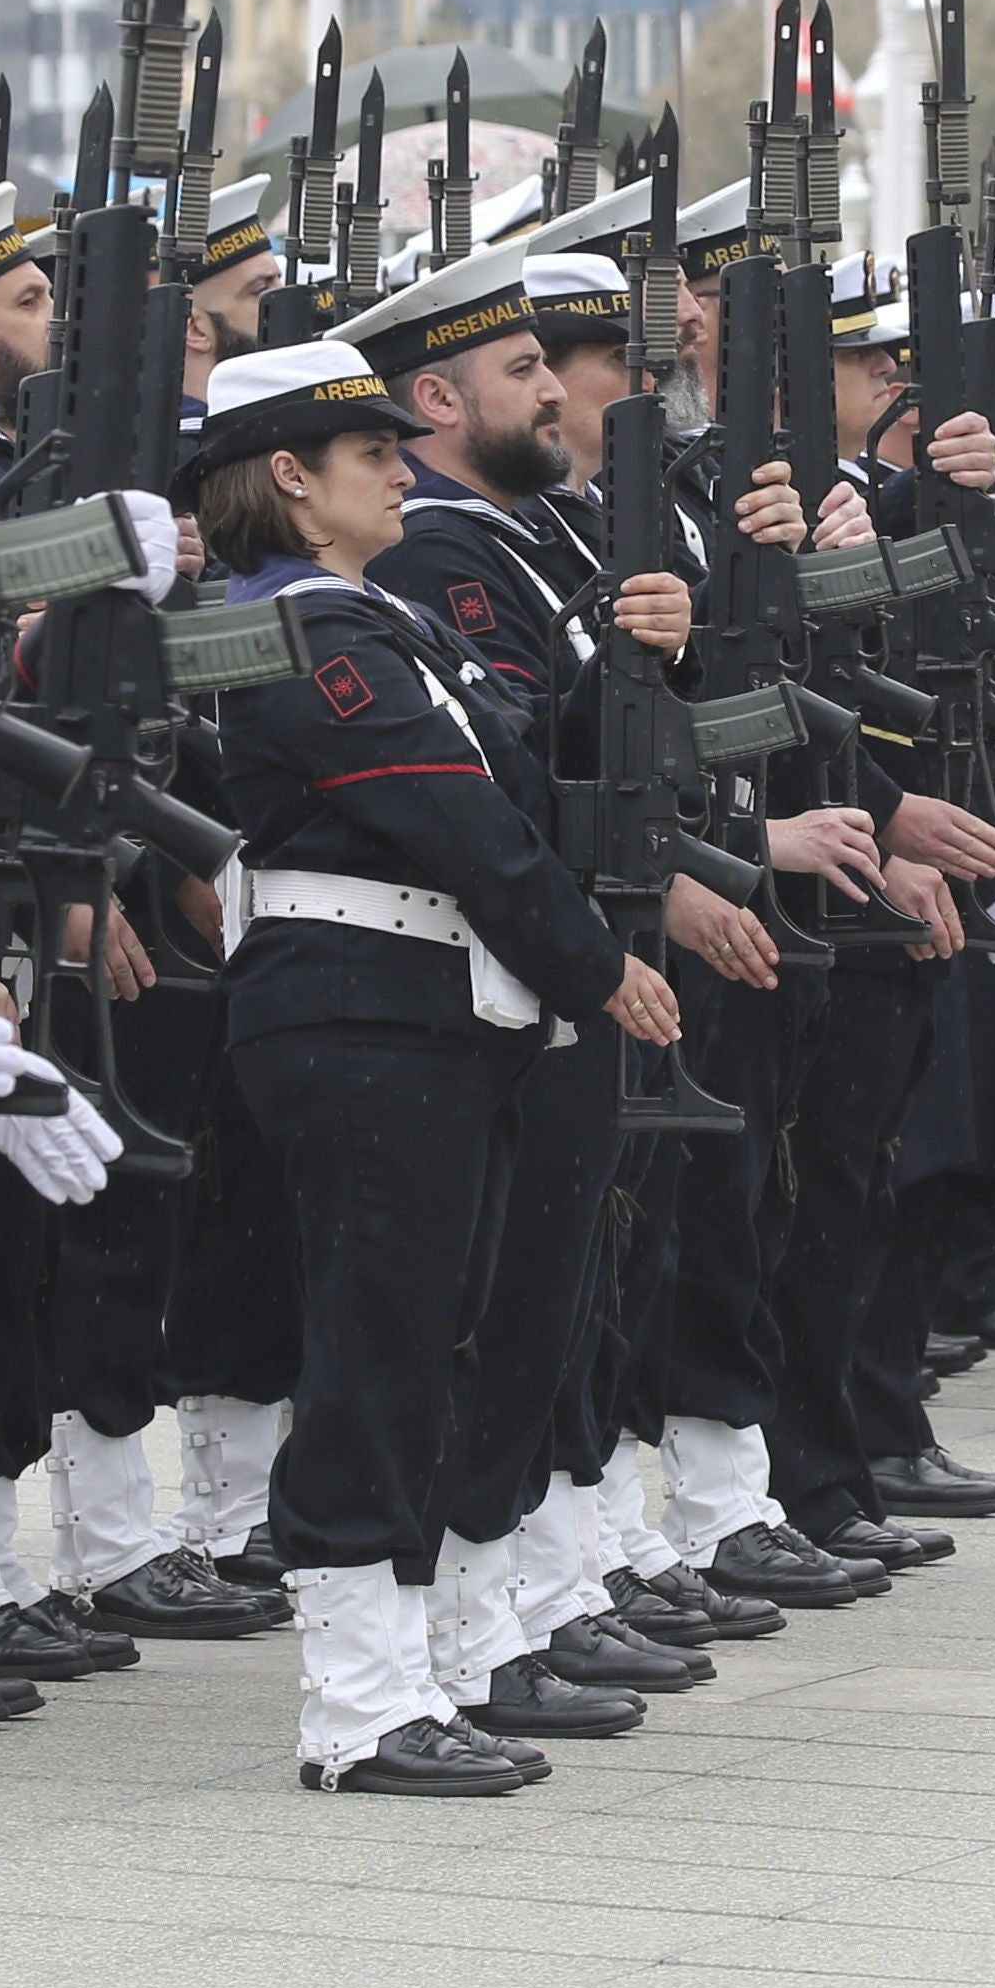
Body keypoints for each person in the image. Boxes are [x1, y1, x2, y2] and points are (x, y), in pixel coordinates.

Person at [181, 338, 681, 1794]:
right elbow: (457, 822)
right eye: (369, 457)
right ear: (289, 479)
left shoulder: (374, 622)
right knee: (376, 1351)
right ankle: (356, 1706)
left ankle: (432, 1666)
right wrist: (600, 968)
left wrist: (634, 651)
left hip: (431, 1017)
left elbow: (525, 769)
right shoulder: (295, 630)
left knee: (443, 1338)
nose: (403, 470)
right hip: (358, 1018)